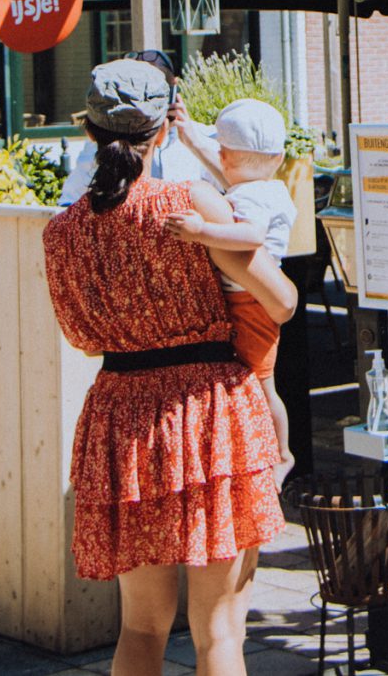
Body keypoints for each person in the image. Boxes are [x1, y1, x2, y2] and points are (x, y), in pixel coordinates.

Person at [43, 60, 295, 676]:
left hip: (122, 416)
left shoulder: (63, 232)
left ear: (92, 133)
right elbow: (282, 301)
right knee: (219, 632)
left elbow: (79, 336)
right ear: (161, 133)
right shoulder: (186, 203)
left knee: (140, 627)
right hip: (209, 411)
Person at [161, 98, 299, 486]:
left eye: (224, 155)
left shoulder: (254, 196)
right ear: (278, 156)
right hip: (248, 297)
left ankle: (283, 454)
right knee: (255, 379)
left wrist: (200, 232)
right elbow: (224, 167)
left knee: (261, 379)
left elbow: (250, 235)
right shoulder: (259, 183)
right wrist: (191, 140)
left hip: (251, 301)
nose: (220, 161)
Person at [60, 48, 218, 204]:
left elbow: (236, 192)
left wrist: (196, 144)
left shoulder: (203, 135)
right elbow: (71, 198)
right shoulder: (193, 197)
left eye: (152, 93)